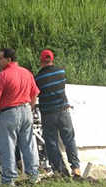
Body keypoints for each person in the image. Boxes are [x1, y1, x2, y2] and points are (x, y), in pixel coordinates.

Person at [0, 48, 41, 186]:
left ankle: (9, 179)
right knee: (29, 144)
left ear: (9, 59)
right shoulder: (27, 73)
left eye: (1, 58)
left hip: (8, 112)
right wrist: (31, 107)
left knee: (8, 145)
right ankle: (34, 175)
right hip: (26, 109)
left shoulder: (3, 75)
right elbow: (35, 93)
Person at [34, 49, 81, 178]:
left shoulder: (38, 77)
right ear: (52, 59)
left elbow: (36, 94)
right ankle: (75, 168)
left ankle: (60, 171)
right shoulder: (61, 72)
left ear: (41, 60)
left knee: (51, 142)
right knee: (69, 139)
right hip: (63, 111)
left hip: (48, 114)